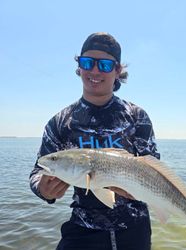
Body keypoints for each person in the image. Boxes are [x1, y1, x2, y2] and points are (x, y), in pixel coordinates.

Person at [29, 32, 160, 250]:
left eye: (105, 65)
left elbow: (153, 165)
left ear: (117, 71)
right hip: (82, 232)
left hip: (135, 232)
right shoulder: (60, 122)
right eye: (88, 62)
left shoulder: (137, 117)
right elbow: (38, 170)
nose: (95, 71)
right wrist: (42, 189)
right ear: (79, 67)